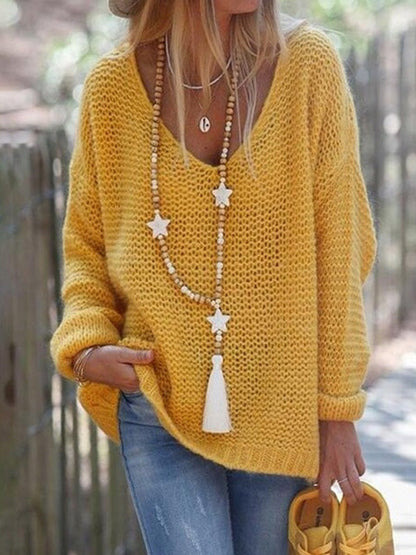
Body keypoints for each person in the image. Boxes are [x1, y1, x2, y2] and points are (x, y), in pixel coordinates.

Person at [49, 1, 378, 553]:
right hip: (158, 403)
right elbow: (87, 244)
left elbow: (341, 250)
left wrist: (337, 411)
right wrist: (87, 345)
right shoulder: (112, 88)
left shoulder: (308, 67)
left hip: (281, 403)